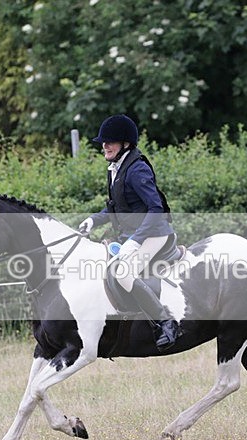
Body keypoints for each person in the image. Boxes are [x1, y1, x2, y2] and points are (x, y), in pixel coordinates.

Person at [78, 114, 181, 350]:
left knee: (123, 273)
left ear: (125, 144)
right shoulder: (116, 168)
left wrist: (136, 241)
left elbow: (156, 208)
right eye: (103, 142)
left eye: (110, 142)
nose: (104, 146)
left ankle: (166, 323)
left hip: (154, 234)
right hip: (132, 236)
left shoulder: (137, 169)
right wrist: (93, 221)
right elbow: (117, 207)